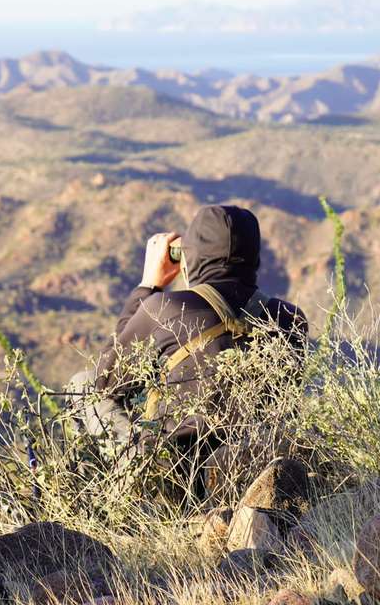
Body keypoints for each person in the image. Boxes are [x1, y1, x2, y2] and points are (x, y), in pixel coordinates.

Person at [77, 205, 307, 499]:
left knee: (84, 386)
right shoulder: (290, 318)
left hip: (172, 478)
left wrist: (148, 286)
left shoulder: (166, 308)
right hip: (254, 471)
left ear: (190, 255)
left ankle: (100, 501)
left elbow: (107, 382)